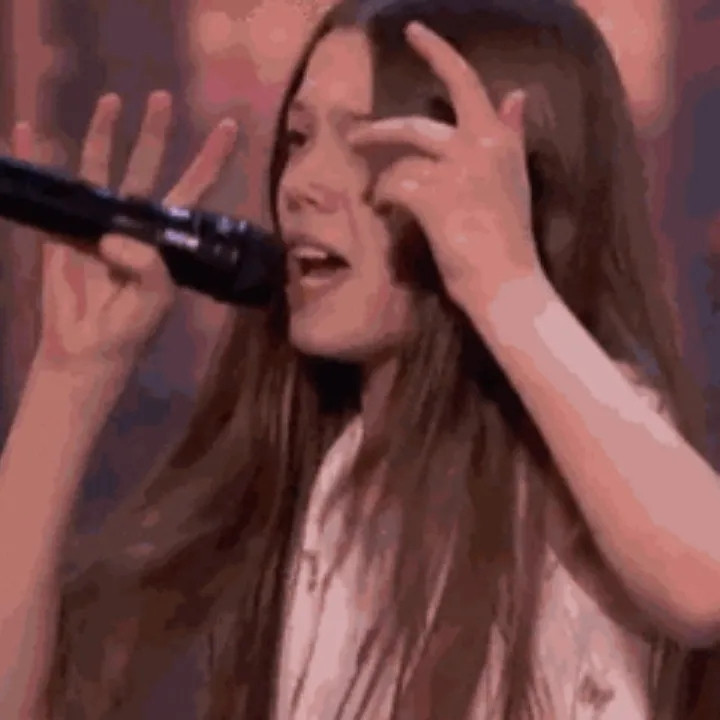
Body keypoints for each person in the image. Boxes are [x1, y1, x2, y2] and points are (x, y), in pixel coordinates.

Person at [2, 0, 720, 718]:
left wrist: (506, 288)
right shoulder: (326, 468)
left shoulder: (585, 445)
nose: (301, 184)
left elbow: (705, 585)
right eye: (300, 138)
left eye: (369, 148)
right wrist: (70, 375)